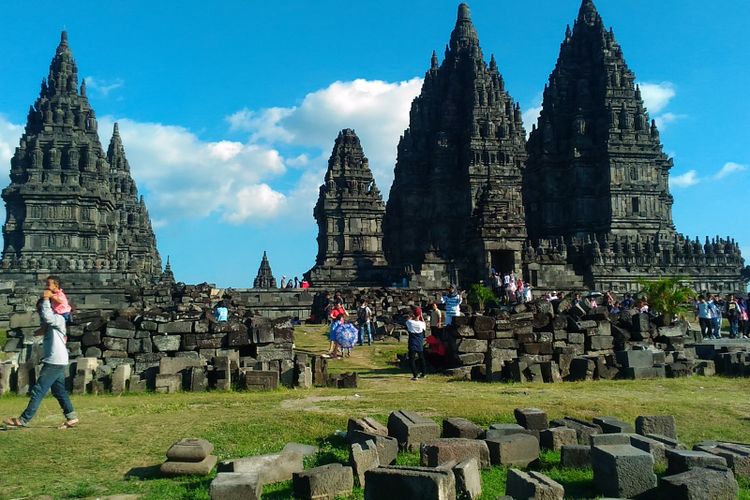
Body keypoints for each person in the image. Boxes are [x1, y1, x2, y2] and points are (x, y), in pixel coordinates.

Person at [4, 290, 78, 429]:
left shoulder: (58, 318)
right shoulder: (52, 324)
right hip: (58, 360)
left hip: (54, 361)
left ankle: (23, 420)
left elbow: (49, 318)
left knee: (38, 390)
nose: (40, 313)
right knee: (59, 391)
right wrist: (39, 331)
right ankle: (72, 417)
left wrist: (45, 300)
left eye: (40, 310)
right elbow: (46, 325)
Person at [405, 310, 427, 381]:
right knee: (421, 358)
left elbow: (407, 320)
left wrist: (411, 316)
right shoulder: (422, 323)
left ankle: (415, 375)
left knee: (412, 359)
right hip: (419, 342)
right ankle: (423, 373)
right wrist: (421, 316)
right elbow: (424, 326)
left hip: (412, 342)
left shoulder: (410, 322)